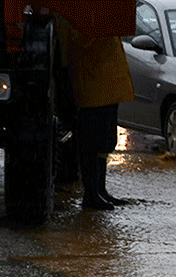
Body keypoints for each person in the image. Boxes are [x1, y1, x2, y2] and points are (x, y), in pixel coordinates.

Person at [58, 18, 136, 210]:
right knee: (91, 143)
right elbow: (76, 43)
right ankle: (91, 194)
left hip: (106, 86)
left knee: (104, 141)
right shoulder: (80, 15)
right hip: (93, 87)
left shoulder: (100, 14)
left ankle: (100, 190)